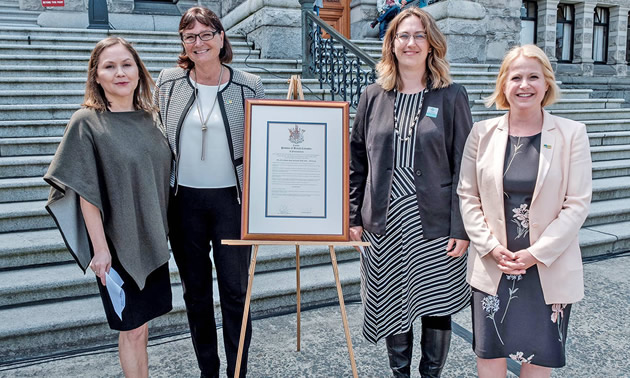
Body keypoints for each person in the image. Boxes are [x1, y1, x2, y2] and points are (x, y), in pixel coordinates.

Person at [350, 8, 472, 378]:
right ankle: (399, 374)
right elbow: (357, 161)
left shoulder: (451, 96)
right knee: (391, 303)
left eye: (419, 35)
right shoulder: (373, 96)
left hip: (434, 224)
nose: (411, 43)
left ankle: (431, 375)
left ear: (431, 44)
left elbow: (466, 166)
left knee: (436, 302)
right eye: (403, 35)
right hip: (385, 224)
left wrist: (461, 228)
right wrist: (353, 215)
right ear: (391, 43)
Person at [457, 44, 592, 377]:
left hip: (546, 267)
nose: (524, 85)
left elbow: (577, 204)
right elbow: (467, 194)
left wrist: (536, 254)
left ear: (547, 84)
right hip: (494, 264)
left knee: (538, 360)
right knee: (490, 355)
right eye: (516, 76)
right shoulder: (482, 133)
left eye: (534, 76)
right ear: (503, 84)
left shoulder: (572, 134)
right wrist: (489, 247)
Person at [44, 37, 172, 378]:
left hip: (152, 237)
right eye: (109, 66)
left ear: (139, 71)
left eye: (127, 64)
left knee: (143, 328)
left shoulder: (152, 119)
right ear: (96, 76)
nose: (120, 73)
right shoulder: (86, 122)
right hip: (117, 243)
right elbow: (86, 190)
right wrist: (100, 250)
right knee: (130, 329)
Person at [153, 6, 264, 378]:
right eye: (190, 36)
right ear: (183, 43)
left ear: (221, 37)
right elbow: (154, 139)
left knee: (235, 293)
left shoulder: (249, 85)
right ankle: (208, 371)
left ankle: (237, 372)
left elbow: (265, 146)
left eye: (206, 34)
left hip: (232, 204)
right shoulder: (168, 82)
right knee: (196, 294)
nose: (198, 43)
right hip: (183, 204)